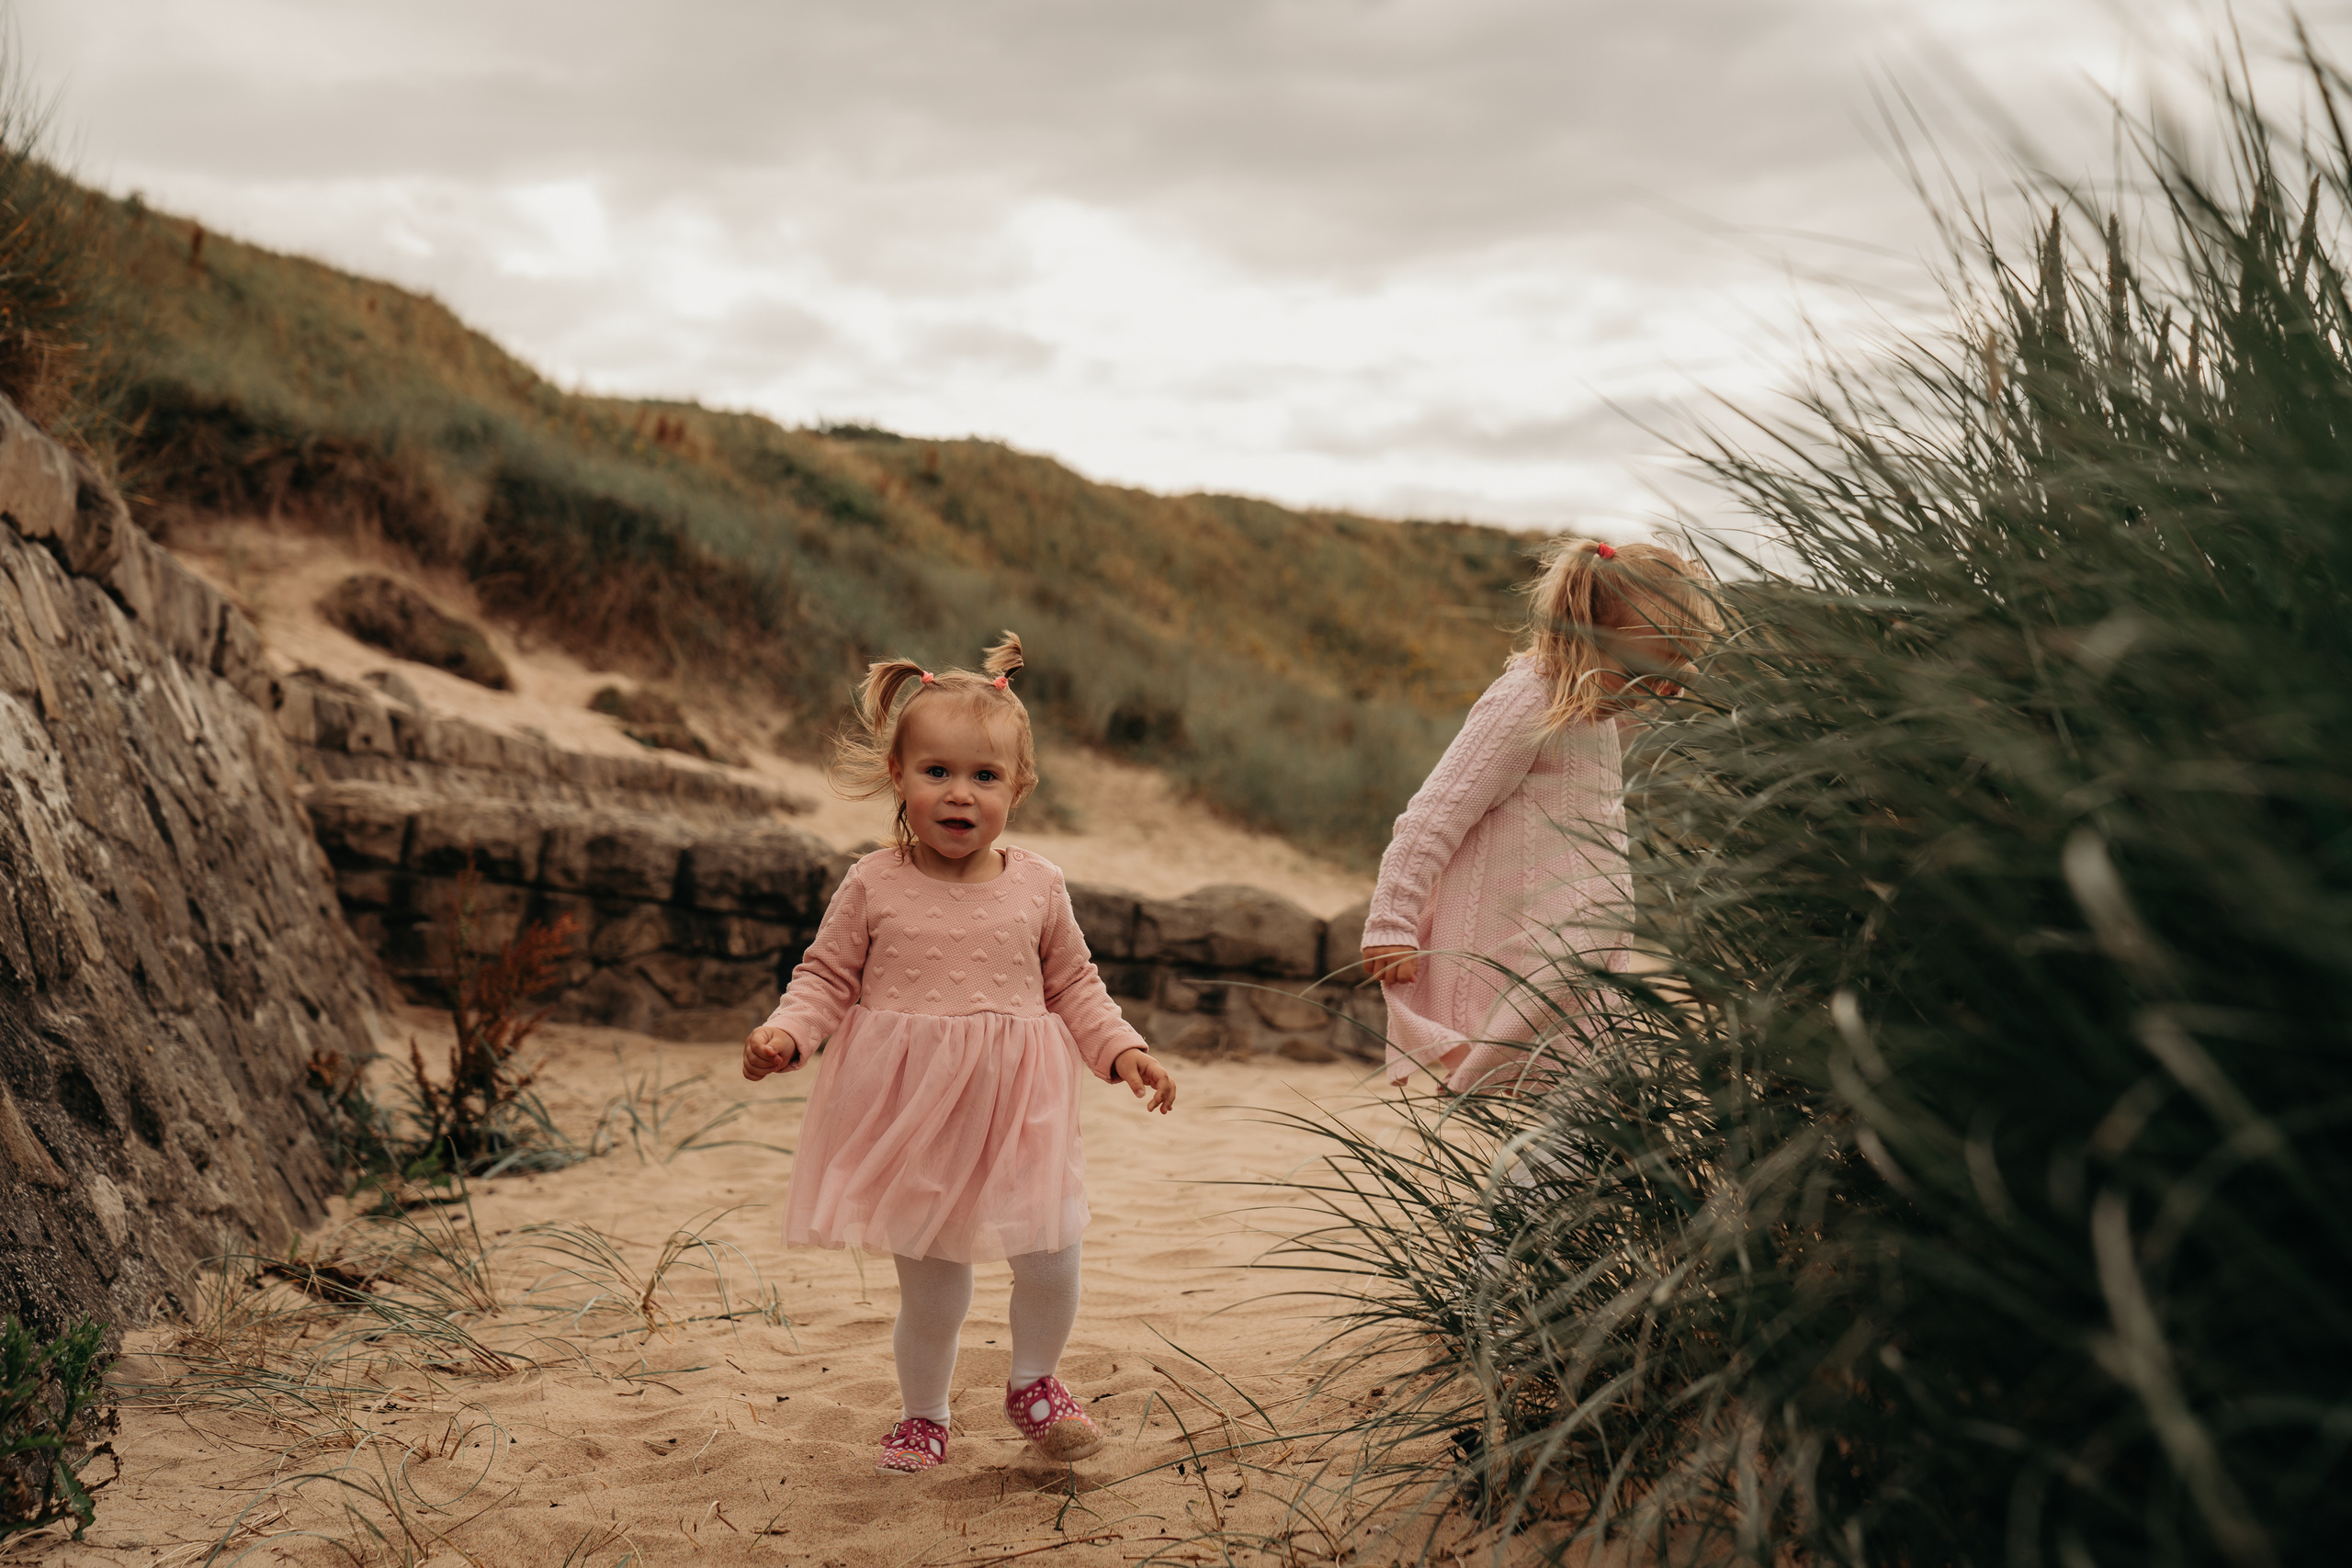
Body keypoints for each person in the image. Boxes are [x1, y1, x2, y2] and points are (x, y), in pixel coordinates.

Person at [741, 632, 1178, 1475]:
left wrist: (1123, 1050)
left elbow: (1075, 985)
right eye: (935, 772)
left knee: (1053, 1253)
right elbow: (826, 977)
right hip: (917, 1112)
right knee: (934, 1284)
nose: (959, 794)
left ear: (1018, 786)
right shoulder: (872, 881)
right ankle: (924, 1416)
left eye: (984, 776)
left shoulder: (1039, 883)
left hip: (1022, 1105)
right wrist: (787, 1033)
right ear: (899, 776)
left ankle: (1034, 1383)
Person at [1360, 537, 1716, 1095]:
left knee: (1581, 1120)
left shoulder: (1596, 709)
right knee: (1557, 1118)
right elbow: (1435, 814)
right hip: (1531, 961)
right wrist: (1391, 922)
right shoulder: (1529, 699)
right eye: (1641, 670)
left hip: (1580, 966)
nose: (1653, 689)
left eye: (1666, 672)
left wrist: (1671, 679)